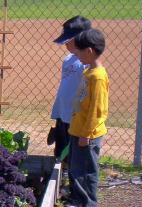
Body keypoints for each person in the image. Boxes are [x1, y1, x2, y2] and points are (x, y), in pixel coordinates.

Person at [64, 28, 109, 207]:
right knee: (76, 166)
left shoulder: (97, 77)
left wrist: (86, 134)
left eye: (79, 51)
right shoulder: (89, 71)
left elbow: (96, 111)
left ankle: (86, 204)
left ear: (89, 51)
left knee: (86, 169)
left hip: (87, 133)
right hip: (78, 129)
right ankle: (76, 196)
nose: (77, 55)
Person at [49, 16, 92, 161]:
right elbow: (64, 88)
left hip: (76, 117)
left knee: (75, 155)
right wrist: (57, 111)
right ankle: (62, 177)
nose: (66, 44)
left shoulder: (86, 63)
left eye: (69, 40)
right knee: (61, 153)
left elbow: (86, 92)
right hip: (63, 115)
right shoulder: (68, 59)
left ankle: (73, 179)